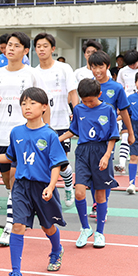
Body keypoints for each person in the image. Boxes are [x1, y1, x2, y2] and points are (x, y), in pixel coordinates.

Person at [0, 87, 67, 276]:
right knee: (17, 226)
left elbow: (56, 164)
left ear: (44, 107)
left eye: (32, 103)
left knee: (47, 227)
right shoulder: (16, 132)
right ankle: (15, 273)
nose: (27, 107)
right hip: (21, 187)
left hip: (42, 187)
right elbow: (9, 157)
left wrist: (51, 186)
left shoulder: (50, 135)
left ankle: (56, 249)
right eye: (23, 103)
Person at [0, 32, 45, 247]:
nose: (11, 49)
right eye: (9, 45)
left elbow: (43, 103)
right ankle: (18, 210)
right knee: (9, 182)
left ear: (25, 51)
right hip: (2, 134)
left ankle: (10, 225)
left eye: (17, 46)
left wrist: (46, 131)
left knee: (16, 179)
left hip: (26, 135)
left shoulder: (32, 74)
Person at [59, 79, 119, 249]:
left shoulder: (108, 109)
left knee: (100, 196)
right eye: (84, 101)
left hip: (101, 151)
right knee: (79, 193)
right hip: (83, 153)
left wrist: (107, 155)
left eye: (91, 101)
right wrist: (57, 139)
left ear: (99, 94)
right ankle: (85, 228)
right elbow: (73, 130)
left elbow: (113, 135)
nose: (88, 104)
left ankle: (100, 232)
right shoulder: (79, 109)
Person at [34, 32, 79, 207]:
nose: (42, 49)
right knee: (44, 163)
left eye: (45, 46)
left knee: (60, 162)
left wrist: (76, 115)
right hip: (41, 125)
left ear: (52, 49)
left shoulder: (64, 68)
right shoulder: (33, 72)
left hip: (61, 123)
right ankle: (47, 198)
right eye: (38, 46)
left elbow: (73, 93)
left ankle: (68, 183)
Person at [86, 50, 133, 217]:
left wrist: (131, 133)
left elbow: (124, 111)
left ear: (107, 66)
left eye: (101, 67)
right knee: (92, 172)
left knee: (103, 170)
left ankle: (101, 205)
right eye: (93, 67)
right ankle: (96, 203)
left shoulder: (116, 87)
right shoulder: (88, 86)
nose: (97, 71)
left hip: (108, 137)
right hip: (89, 137)